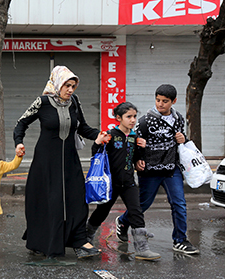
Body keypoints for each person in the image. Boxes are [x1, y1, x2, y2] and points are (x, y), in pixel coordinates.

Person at [13, 65, 108, 259]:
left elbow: (83, 128)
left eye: (73, 86)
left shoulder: (74, 102)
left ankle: (80, 241)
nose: (70, 90)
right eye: (67, 85)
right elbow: (21, 123)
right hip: (45, 162)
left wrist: (101, 135)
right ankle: (44, 241)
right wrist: (19, 143)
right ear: (57, 83)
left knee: (77, 199)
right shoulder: (42, 102)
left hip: (70, 161)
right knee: (51, 202)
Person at [115, 84, 199, 255]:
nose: (160, 104)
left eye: (165, 101)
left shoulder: (179, 119)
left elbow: (180, 140)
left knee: (179, 204)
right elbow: (134, 141)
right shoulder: (146, 121)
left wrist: (183, 138)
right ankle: (123, 221)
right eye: (158, 100)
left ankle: (180, 240)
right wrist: (138, 159)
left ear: (173, 101)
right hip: (150, 171)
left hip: (171, 169)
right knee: (142, 204)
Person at [86, 102, 160, 260]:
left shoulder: (134, 137)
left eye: (134, 116)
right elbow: (96, 153)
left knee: (136, 212)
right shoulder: (111, 135)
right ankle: (86, 239)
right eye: (129, 117)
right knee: (102, 212)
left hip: (128, 182)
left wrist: (142, 154)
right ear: (118, 118)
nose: (133, 120)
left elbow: (136, 159)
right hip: (111, 184)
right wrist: (98, 143)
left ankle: (142, 248)